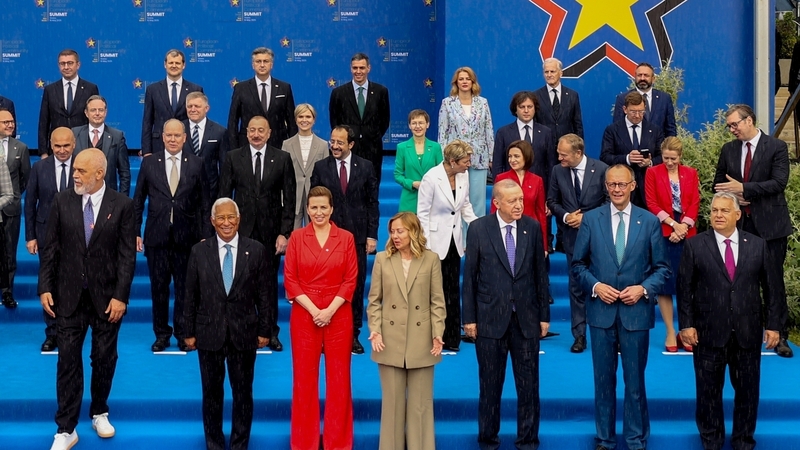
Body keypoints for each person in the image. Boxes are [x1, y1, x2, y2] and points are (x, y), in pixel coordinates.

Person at [38, 148, 136, 450]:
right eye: (74, 170)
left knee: (104, 359)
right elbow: (50, 248)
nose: (74, 175)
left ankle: (99, 410)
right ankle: (66, 428)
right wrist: (45, 287)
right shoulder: (61, 200)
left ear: (99, 174)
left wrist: (121, 296)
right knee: (67, 360)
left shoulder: (122, 205)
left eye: (81, 171)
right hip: (67, 297)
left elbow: (126, 256)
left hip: (107, 299)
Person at [571, 164, 670, 450]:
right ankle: (604, 439)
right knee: (603, 382)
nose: (616, 189)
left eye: (621, 184)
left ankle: (636, 439)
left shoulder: (649, 221)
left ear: (632, 186)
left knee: (635, 382)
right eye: (611, 184)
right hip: (601, 314)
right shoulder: (591, 219)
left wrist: (643, 289)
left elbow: (662, 269)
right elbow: (578, 264)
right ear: (605, 186)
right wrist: (595, 286)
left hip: (636, 314)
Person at [677, 192, 783, 450]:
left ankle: (743, 442)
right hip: (707, 332)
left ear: (737, 214)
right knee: (708, 394)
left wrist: (774, 324)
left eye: (724, 211)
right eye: (714, 211)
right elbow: (684, 288)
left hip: (747, 333)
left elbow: (772, 288)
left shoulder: (757, 245)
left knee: (747, 394)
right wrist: (686, 324)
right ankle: (711, 442)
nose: (718, 215)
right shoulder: (695, 245)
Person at [462, 179, 550, 450]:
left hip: (525, 321)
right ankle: (488, 441)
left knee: (529, 388)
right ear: (496, 203)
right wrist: (469, 318)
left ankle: (528, 441)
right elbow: (470, 278)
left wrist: (544, 316)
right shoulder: (478, 229)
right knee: (489, 387)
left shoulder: (532, 228)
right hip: (489, 320)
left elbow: (540, 275)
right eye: (512, 201)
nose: (519, 205)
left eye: (521, 200)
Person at [183, 198, 271, 450]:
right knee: (211, 395)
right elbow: (189, 295)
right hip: (208, 333)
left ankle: (239, 444)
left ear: (239, 219)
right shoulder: (199, 252)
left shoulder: (255, 250)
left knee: (243, 394)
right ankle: (214, 444)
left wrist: (265, 329)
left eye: (230, 217)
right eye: (220, 218)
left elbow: (265, 295)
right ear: (212, 221)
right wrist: (187, 331)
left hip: (244, 333)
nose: (226, 223)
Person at [714, 103, 794, 358]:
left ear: (750, 120)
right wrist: (734, 196)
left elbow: (779, 182)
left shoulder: (776, 147)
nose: (732, 129)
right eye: (729, 126)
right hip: (740, 227)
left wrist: (746, 190)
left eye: (735, 124)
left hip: (770, 226)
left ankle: (779, 334)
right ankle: (743, 330)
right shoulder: (729, 149)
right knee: (741, 282)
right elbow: (719, 182)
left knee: (773, 282)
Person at [283, 186, 358, 450]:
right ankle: (305, 442)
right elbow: (290, 280)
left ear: (332, 208)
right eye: (313, 207)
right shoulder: (296, 237)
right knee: (304, 381)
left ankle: (338, 443)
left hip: (338, 314)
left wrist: (329, 310)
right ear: (307, 209)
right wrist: (315, 310)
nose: (318, 212)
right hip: (305, 314)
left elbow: (350, 280)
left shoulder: (346, 238)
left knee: (339, 381)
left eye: (323, 207)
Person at [367, 211, 446, 450]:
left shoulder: (431, 259)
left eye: (400, 231)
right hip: (389, 340)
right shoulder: (382, 259)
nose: (395, 235)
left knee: (420, 406)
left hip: (422, 340)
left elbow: (437, 302)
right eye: (392, 231)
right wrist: (376, 330)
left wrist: (437, 332)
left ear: (414, 232)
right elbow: (374, 301)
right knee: (392, 406)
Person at [219, 116, 296, 352]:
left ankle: (270, 332)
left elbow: (290, 200)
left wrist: (284, 233)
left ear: (270, 132)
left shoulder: (282, 158)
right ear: (246, 132)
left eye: (260, 130)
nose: (256, 134)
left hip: (270, 234)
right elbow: (223, 197)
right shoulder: (233, 157)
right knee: (239, 283)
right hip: (239, 233)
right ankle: (239, 329)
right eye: (251, 130)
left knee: (268, 285)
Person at [133, 119, 211, 352]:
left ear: (185, 138)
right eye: (169, 135)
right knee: (158, 289)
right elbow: (137, 201)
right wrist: (136, 231)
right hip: (156, 238)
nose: (173, 139)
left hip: (188, 239)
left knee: (185, 290)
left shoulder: (197, 164)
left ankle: (183, 333)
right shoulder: (149, 164)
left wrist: (206, 234)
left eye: (178, 135)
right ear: (162, 137)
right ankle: (161, 334)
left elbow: (206, 203)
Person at [310, 125, 380, 354]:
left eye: (340, 142)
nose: (335, 146)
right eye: (332, 141)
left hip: (357, 238)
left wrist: (371, 235)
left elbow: (372, 203)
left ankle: (353, 335)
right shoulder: (321, 167)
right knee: (326, 286)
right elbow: (315, 202)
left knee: (355, 287)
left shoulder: (366, 166)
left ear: (351, 144)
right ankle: (324, 334)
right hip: (327, 237)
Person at [547, 134, 608, 353]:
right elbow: (552, 201)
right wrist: (565, 217)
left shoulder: (601, 169)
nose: (559, 157)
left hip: (599, 238)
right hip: (571, 238)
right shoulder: (557, 171)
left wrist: (586, 217)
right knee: (576, 286)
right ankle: (579, 335)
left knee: (602, 284)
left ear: (578, 153)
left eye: (563, 154)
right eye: (559, 153)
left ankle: (605, 332)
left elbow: (609, 201)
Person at [417, 140, 478, 353]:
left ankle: (452, 337)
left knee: (452, 290)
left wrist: (480, 226)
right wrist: (426, 246)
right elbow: (422, 214)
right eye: (465, 161)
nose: (469, 164)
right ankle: (432, 336)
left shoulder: (463, 176)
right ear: (452, 161)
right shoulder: (431, 178)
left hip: (455, 242)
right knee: (434, 292)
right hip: (434, 243)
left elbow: (465, 206)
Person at [644, 136, 699, 352]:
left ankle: (686, 329)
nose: (669, 162)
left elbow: (695, 201)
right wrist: (672, 224)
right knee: (665, 285)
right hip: (664, 231)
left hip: (687, 232)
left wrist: (683, 227)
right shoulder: (652, 172)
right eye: (666, 158)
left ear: (680, 156)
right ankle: (669, 331)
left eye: (673, 158)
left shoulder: (691, 173)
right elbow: (651, 202)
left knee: (688, 284)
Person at [25, 127, 75, 350]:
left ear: (74, 144)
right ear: (51, 146)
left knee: (72, 283)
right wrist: (30, 237)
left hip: (76, 237)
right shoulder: (39, 167)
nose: (62, 150)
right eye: (57, 146)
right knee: (48, 284)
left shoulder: (83, 165)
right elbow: (30, 203)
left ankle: (70, 329)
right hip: (45, 235)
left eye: (66, 146)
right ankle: (52, 332)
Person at [438, 67, 494, 216]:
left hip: (479, 157)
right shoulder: (447, 103)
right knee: (458, 200)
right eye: (461, 79)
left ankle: (477, 237)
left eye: (467, 78)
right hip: (455, 158)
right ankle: (459, 238)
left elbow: (488, 129)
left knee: (477, 201)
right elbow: (442, 132)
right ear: (456, 82)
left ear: (473, 81)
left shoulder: (482, 103)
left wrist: (491, 156)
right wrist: (444, 158)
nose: (464, 82)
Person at [328, 52, 391, 186]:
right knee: (348, 186)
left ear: (369, 68)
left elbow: (385, 120)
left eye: (362, 68)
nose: (358, 71)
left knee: (372, 186)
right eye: (355, 68)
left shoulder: (381, 91)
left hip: (372, 148)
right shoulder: (339, 93)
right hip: (348, 149)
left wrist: (372, 136)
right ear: (351, 69)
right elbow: (335, 121)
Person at [600, 91, 663, 208]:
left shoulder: (654, 130)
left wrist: (650, 162)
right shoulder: (612, 130)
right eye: (633, 112)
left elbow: (662, 157)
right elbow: (605, 157)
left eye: (641, 112)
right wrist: (627, 158)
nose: (638, 115)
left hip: (648, 188)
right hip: (622, 189)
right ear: (625, 109)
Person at [228, 47, 297, 150]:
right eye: (258, 61)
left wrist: (291, 148)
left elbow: (291, 121)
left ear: (271, 64)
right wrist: (235, 150)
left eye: (266, 61)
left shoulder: (284, 88)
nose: (262, 65)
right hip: (247, 146)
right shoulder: (241, 88)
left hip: (278, 146)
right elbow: (233, 121)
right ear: (253, 65)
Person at [141, 49, 203, 156]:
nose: (174, 66)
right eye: (171, 63)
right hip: (159, 146)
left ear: (184, 65)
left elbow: (199, 121)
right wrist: (146, 151)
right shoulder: (153, 90)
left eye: (178, 63)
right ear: (165, 64)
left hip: (187, 145)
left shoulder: (195, 89)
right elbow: (147, 122)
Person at [38, 49, 99, 157]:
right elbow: (44, 123)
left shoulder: (90, 89)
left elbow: (95, 120)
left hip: (83, 149)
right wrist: (43, 152)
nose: (66, 67)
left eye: (70, 63)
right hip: (57, 149)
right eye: (62, 64)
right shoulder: (50, 90)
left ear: (78, 65)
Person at [491, 140, 547, 251]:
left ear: (526, 157)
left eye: (516, 156)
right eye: (510, 156)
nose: (512, 160)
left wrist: (544, 245)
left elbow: (541, 213)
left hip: (530, 230)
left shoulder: (537, 180)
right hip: (508, 230)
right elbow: (494, 210)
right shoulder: (501, 178)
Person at [492, 91, 556, 190]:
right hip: (510, 188)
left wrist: (551, 196)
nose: (526, 111)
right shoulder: (503, 133)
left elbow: (551, 164)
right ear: (515, 110)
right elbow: (497, 165)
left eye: (530, 107)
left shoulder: (546, 132)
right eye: (522, 107)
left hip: (538, 189)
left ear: (535, 109)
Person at [0, 108, 30, 307]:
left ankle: (7, 292)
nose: (10, 125)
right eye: (5, 122)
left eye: (12, 121)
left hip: (10, 210)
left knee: (9, 254)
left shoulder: (21, 148)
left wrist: (11, 197)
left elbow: (24, 179)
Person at [72, 95, 131, 196]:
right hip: (80, 196)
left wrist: (121, 200)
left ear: (106, 112)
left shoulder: (117, 137)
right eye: (93, 110)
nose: (97, 113)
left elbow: (124, 173)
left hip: (107, 198)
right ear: (86, 113)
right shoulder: (74, 134)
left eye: (101, 110)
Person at [281, 103, 328, 229]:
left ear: (314, 120)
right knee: (293, 233)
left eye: (308, 117)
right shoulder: (286, 144)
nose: (304, 120)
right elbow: (282, 173)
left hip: (314, 195)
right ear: (295, 120)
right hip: (292, 195)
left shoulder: (323, 145)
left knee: (314, 231)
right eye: (301, 117)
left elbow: (326, 173)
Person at [393, 109, 443, 213]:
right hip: (410, 199)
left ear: (427, 125)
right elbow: (397, 175)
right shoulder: (402, 147)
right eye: (414, 123)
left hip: (431, 197)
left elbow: (441, 173)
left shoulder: (435, 147)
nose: (417, 126)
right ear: (409, 126)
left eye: (421, 123)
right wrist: (412, 183)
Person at [182, 91, 229, 200]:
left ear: (206, 108)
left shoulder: (220, 132)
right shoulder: (178, 129)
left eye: (197, 106)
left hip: (210, 192)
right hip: (183, 193)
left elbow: (224, 167)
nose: (193, 109)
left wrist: (223, 195)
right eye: (189, 106)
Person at [612, 62, 677, 138]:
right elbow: (617, 128)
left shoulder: (664, 98)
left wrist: (669, 147)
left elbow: (670, 129)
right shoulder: (622, 98)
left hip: (658, 147)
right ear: (635, 77)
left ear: (653, 79)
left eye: (646, 75)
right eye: (639, 75)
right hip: (632, 148)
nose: (642, 78)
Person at [534, 57, 584, 139]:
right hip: (544, 146)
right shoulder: (536, 96)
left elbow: (577, 124)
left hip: (567, 147)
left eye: (552, 71)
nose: (549, 75)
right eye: (546, 72)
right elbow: (534, 124)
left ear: (561, 73)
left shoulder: (572, 95)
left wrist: (579, 148)